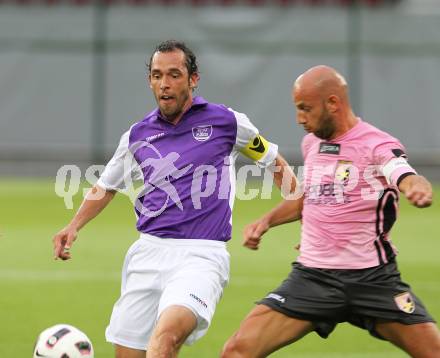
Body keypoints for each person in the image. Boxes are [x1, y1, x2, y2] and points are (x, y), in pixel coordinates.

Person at [52, 40, 295, 358]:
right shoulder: (138, 135)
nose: (164, 84)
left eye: (174, 74)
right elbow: (107, 185)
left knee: (165, 338)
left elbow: (273, 161)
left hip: (201, 256)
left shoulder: (226, 122)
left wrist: (307, 211)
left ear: (193, 78)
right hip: (147, 254)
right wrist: (73, 226)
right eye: (156, 75)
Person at [221, 65, 440, 358]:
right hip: (313, 278)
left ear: (333, 103)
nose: (300, 118)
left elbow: (400, 169)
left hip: (373, 279)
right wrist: (266, 221)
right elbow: (306, 199)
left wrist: (415, 184)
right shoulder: (312, 143)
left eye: (305, 108)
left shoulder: (376, 143)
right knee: (237, 351)